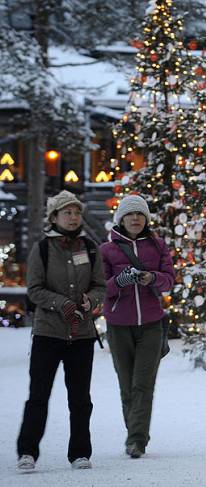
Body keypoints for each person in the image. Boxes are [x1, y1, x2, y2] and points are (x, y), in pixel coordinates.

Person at [17, 191, 106, 472]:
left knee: (80, 399)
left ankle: (80, 453)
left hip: (81, 335)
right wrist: (62, 303)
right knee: (38, 395)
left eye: (77, 212)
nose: (73, 217)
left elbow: (100, 286)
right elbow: (34, 290)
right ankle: (27, 451)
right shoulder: (42, 249)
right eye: (67, 212)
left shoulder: (90, 248)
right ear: (54, 217)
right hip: (48, 333)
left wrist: (91, 300)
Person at [100, 194, 174, 459]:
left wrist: (152, 277)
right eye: (130, 214)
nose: (135, 218)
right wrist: (119, 281)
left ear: (146, 219)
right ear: (121, 219)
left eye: (140, 214)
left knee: (143, 384)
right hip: (119, 326)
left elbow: (169, 281)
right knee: (127, 385)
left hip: (152, 325)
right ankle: (135, 432)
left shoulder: (158, 245)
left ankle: (136, 440)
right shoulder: (106, 250)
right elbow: (100, 289)